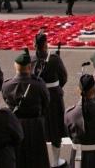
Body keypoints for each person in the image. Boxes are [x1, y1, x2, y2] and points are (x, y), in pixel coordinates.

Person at [2, 48, 51, 168]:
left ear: (15, 66)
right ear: (29, 67)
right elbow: (46, 101)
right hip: (35, 122)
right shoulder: (38, 84)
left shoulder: (7, 85)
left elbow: (6, 100)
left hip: (16, 122)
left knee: (19, 156)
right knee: (37, 156)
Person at [31, 30, 69, 168]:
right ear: (46, 45)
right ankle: (54, 161)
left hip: (37, 97)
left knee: (39, 128)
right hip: (53, 95)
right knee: (55, 129)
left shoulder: (31, 60)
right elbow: (63, 77)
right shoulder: (54, 59)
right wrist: (57, 88)